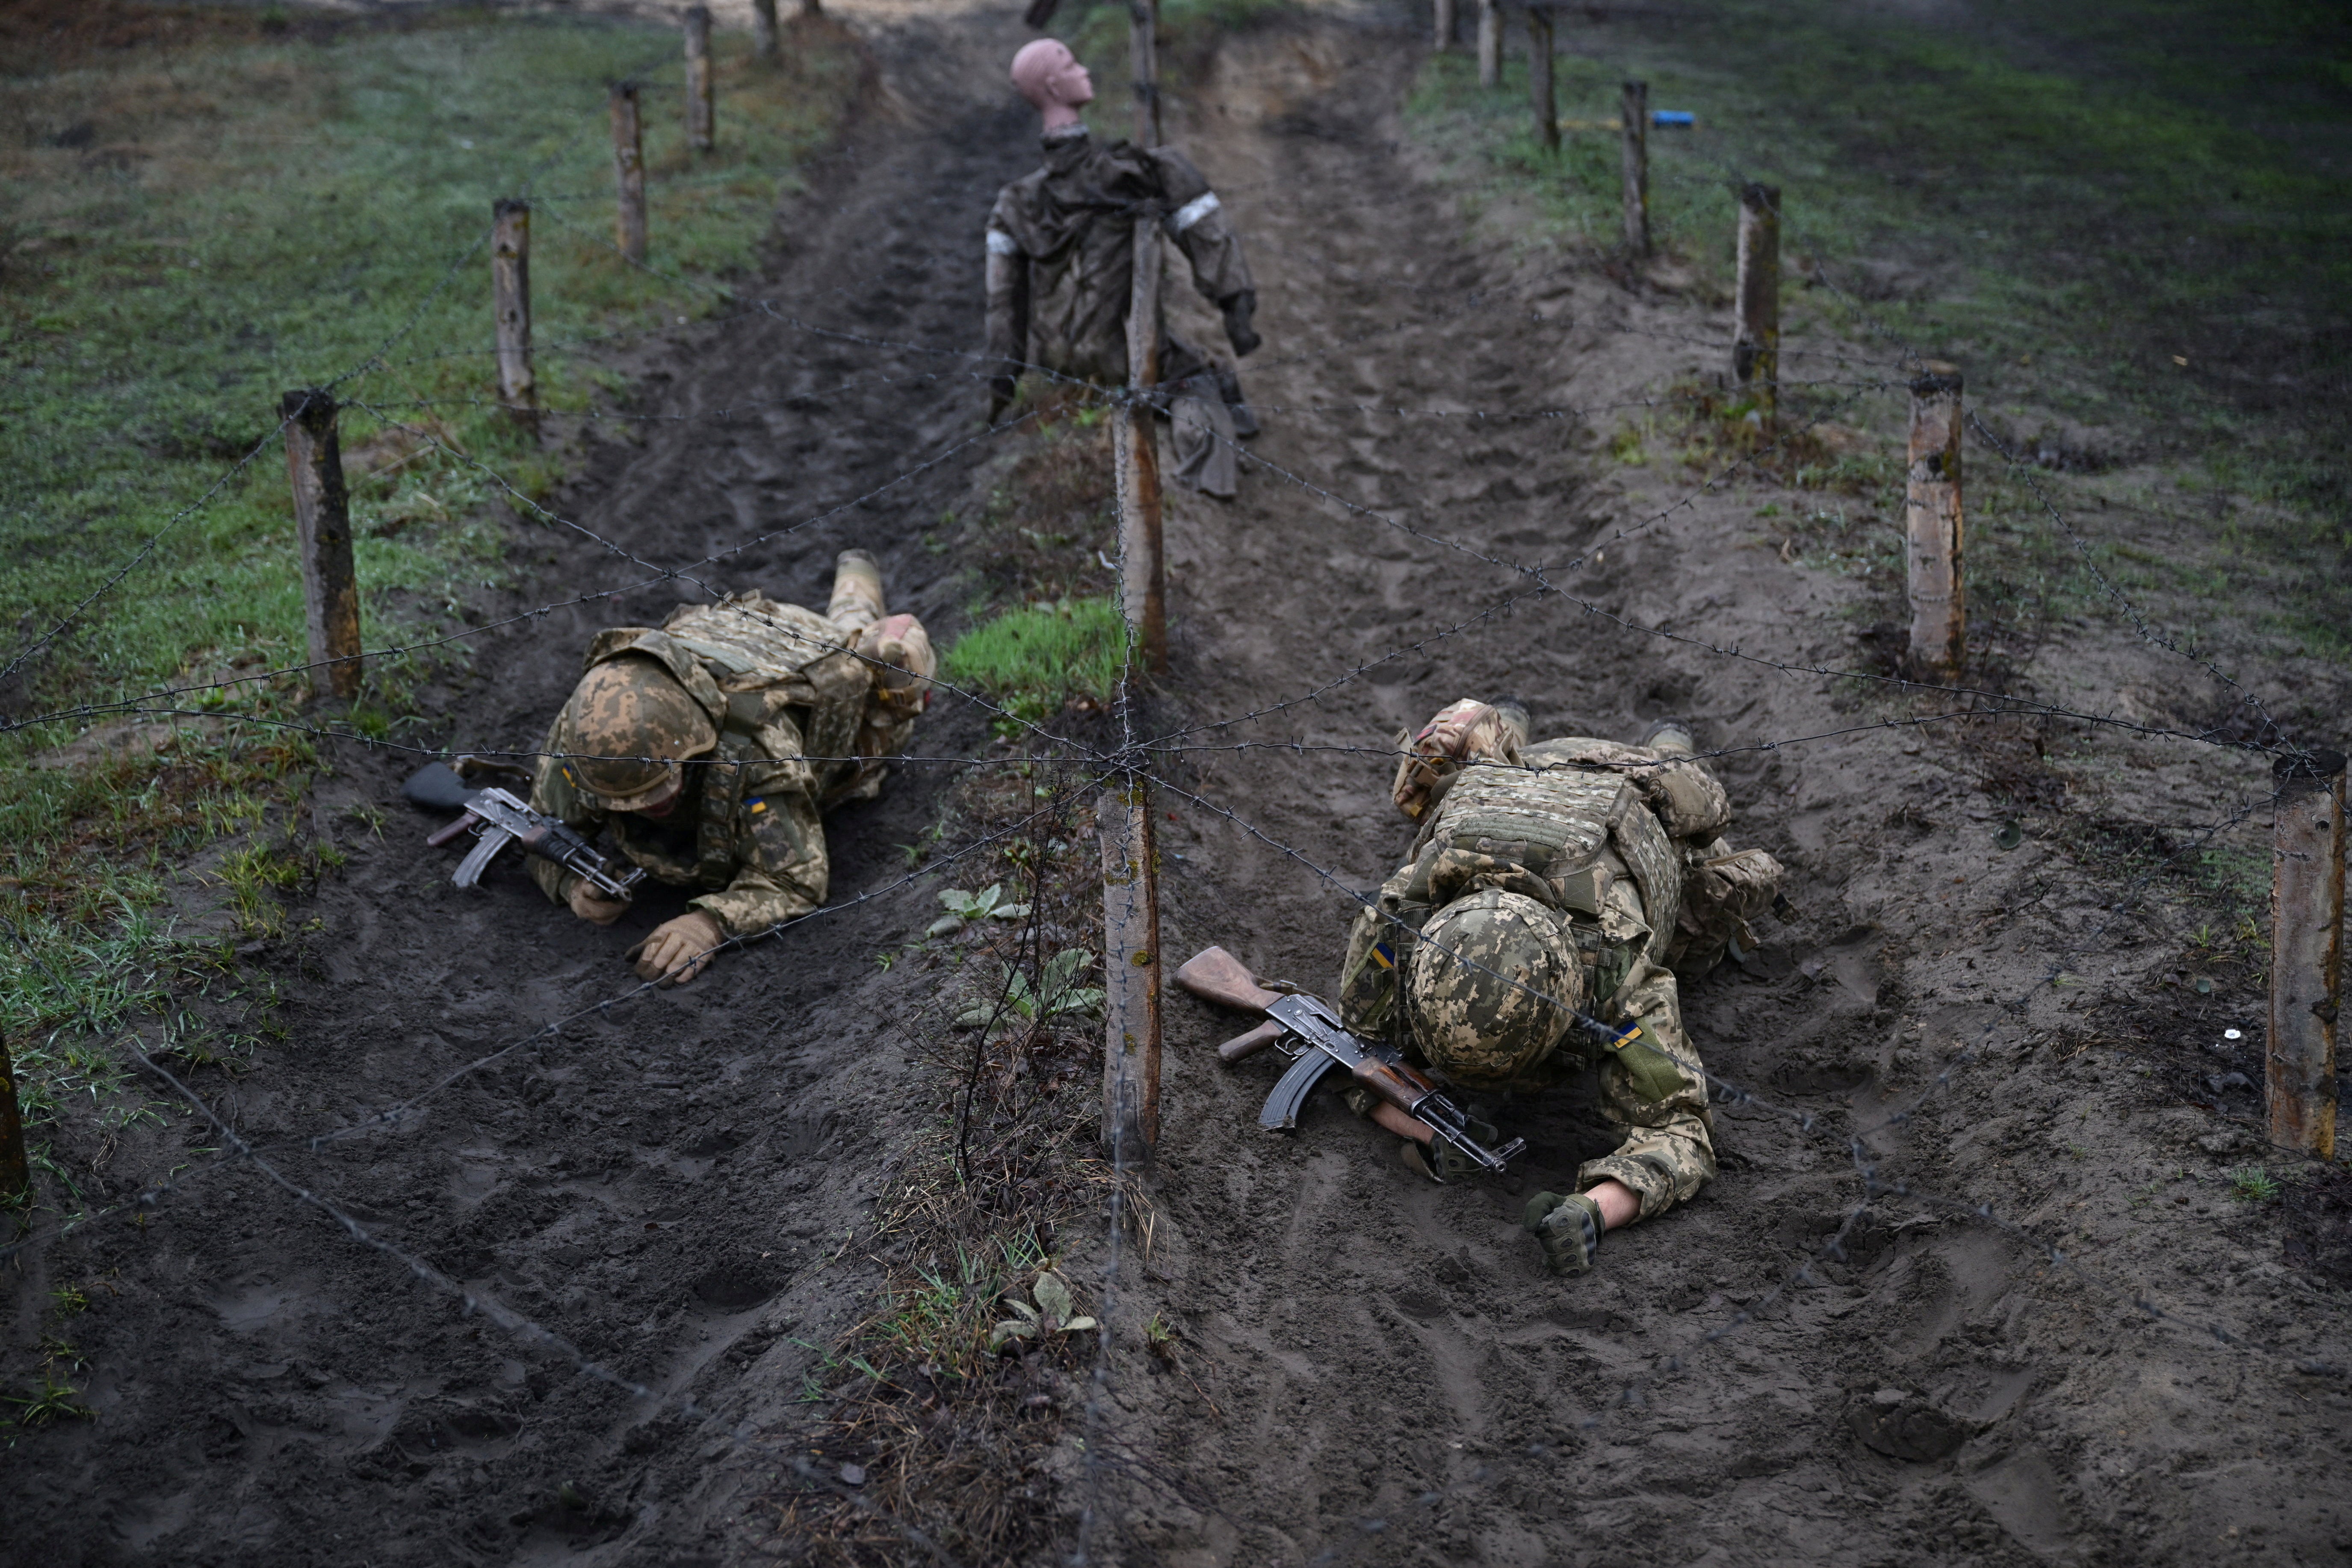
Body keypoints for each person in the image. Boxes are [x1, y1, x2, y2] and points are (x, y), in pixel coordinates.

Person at [1333, 697, 1784, 1276]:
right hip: (1519, 776)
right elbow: (1351, 1050)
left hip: (1638, 785)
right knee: (1456, 777)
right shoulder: (1402, 916)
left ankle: (1667, 745)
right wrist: (1428, 1128)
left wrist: (1592, 1210)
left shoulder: (1617, 973)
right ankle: (1513, 729)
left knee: (1699, 833)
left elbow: (1679, 1128)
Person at [526, 551, 934, 986]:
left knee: (887, 659)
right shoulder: (590, 731)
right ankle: (853, 589)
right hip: (736, 639)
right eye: (626, 801)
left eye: (660, 788)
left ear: (696, 748)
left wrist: (708, 925)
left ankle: (859, 583)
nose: (649, 807)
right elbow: (540, 825)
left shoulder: (757, 749)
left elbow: (796, 881)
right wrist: (570, 883)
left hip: (816, 665)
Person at [985, 37, 1261, 497]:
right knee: (1199, 386)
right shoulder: (1137, 174)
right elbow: (1205, 230)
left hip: (1057, 363)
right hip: (1130, 356)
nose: (1084, 70)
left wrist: (1002, 385)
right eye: (1072, 64)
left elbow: (1001, 307)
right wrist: (1237, 306)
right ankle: (1207, 471)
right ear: (1053, 85)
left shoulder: (1014, 203)